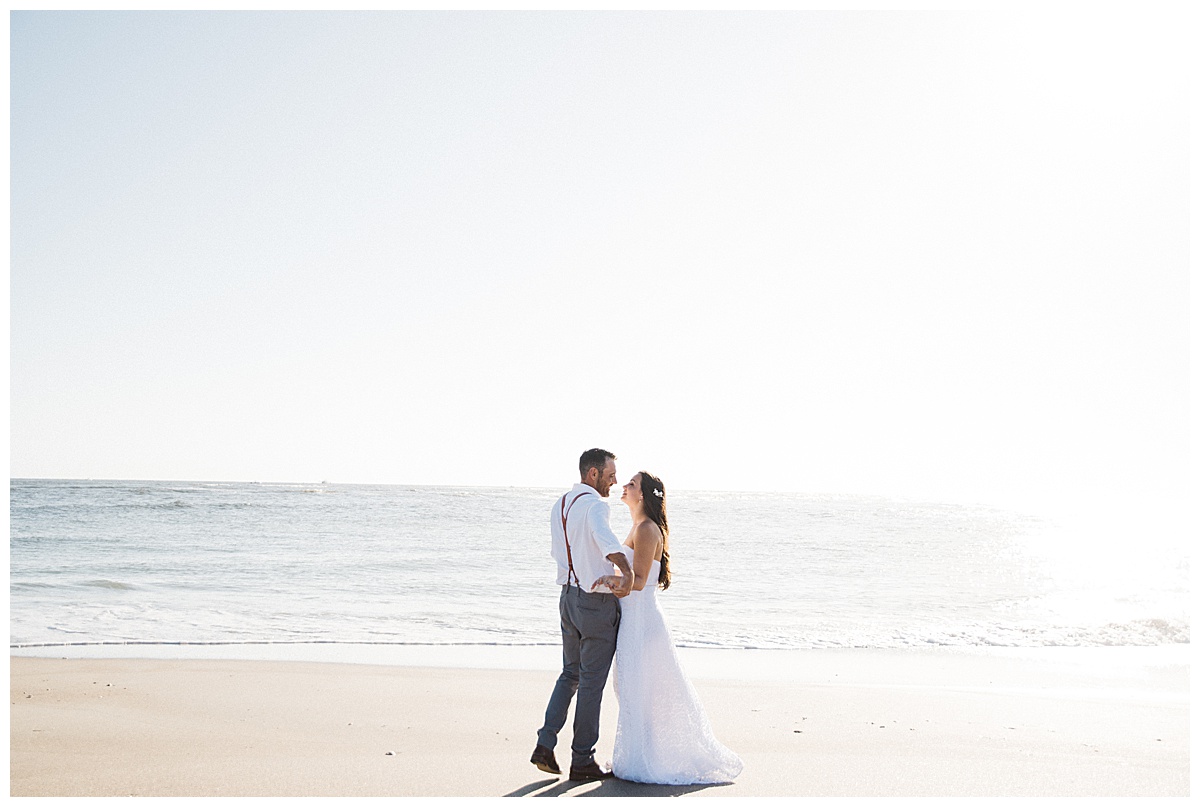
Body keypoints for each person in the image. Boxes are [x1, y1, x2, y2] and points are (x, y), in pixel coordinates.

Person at [594, 471, 743, 785]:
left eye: (632, 484)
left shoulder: (647, 529)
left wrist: (608, 581)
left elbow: (638, 582)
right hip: (632, 622)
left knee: (640, 690)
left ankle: (645, 761)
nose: (625, 486)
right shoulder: (637, 526)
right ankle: (635, 756)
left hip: (642, 624)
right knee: (632, 689)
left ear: (645, 495)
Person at [531, 448, 635, 782]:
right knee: (591, 684)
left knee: (569, 674)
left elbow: (557, 551)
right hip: (594, 602)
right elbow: (607, 543)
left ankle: (545, 744)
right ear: (592, 474)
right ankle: (582, 760)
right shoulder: (595, 505)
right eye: (610, 474)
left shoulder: (560, 504)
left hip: (567, 598)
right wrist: (626, 571)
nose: (614, 480)